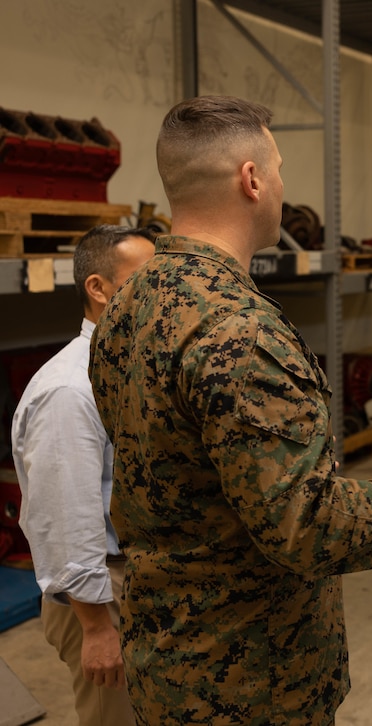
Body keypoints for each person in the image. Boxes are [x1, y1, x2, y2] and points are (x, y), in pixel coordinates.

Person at [88, 95, 372, 725]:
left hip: (165, 658)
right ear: (251, 180)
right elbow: (310, 528)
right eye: (277, 168)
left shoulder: (126, 304)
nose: (281, 185)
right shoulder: (239, 331)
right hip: (250, 681)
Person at [13, 225, 155, 726]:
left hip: (137, 584)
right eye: (145, 279)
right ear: (98, 289)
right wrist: (96, 627)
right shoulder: (71, 388)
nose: (161, 294)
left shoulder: (130, 366)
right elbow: (65, 515)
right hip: (99, 600)